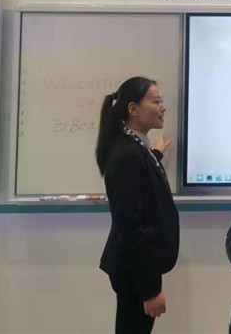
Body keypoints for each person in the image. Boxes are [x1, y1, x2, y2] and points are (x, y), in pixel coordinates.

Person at [95, 77, 180, 334]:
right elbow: (132, 227)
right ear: (133, 109)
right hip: (135, 270)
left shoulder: (133, 147)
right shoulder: (128, 156)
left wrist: (156, 155)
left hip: (133, 267)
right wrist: (151, 290)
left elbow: (140, 183)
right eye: (156, 101)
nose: (163, 107)